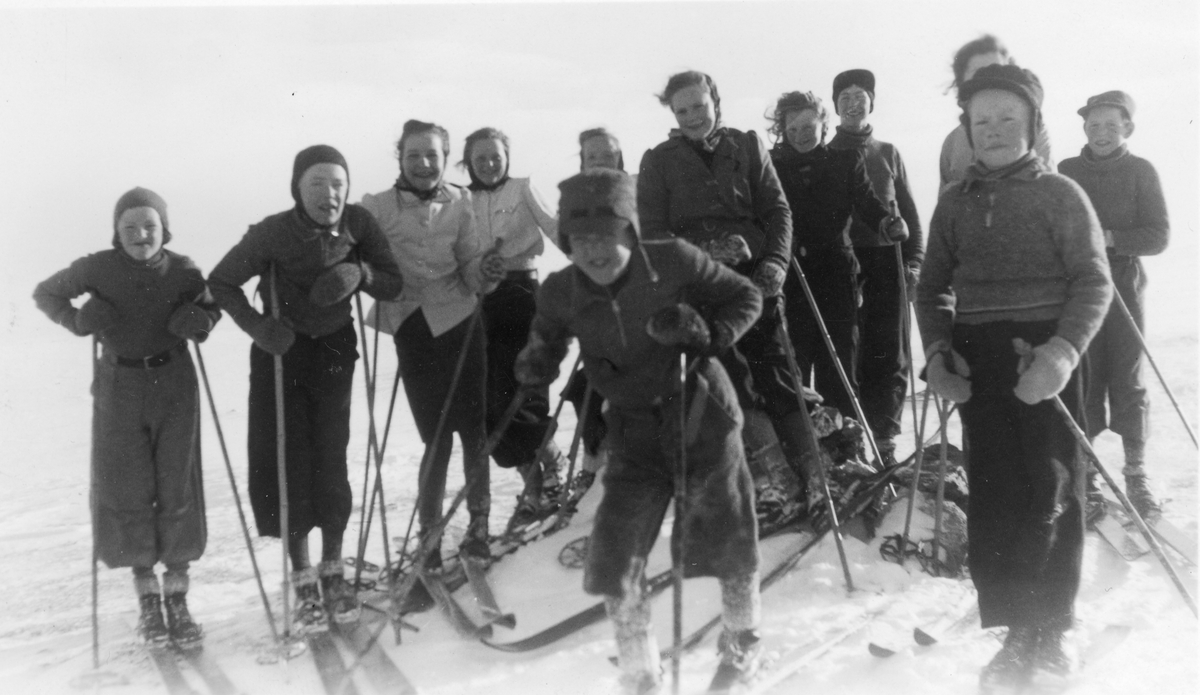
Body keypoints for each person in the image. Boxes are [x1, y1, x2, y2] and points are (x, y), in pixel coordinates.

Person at [515, 169, 765, 694]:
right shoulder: (561, 291)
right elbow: (548, 336)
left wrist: (707, 332)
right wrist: (538, 359)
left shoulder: (673, 259)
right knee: (614, 556)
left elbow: (746, 297)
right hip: (632, 432)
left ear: (629, 231)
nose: (594, 251)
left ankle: (742, 646)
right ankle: (639, 674)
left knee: (727, 544)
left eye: (606, 236)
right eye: (579, 240)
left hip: (701, 419)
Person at [916, 64, 1111, 691]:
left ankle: (1054, 625)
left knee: (1051, 489)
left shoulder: (1059, 194)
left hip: (1042, 356)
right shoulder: (954, 202)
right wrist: (940, 354)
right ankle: (1014, 626)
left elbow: (1093, 280)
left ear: (1031, 124)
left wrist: (1061, 354)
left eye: (1007, 119)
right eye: (981, 121)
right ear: (967, 131)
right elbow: (931, 289)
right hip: (979, 360)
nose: (994, 130)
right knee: (994, 491)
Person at [209, 145, 404, 633]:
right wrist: (257, 327)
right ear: (298, 188)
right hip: (281, 353)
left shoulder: (358, 224)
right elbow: (223, 281)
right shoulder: (272, 231)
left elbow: (393, 282)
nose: (330, 194)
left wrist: (360, 272)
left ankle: (334, 570)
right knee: (288, 457)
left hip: (335, 350)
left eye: (338, 183)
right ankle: (302, 576)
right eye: (317, 184)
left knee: (331, 455)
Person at [34, 187, 219, 647]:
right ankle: (147, 599)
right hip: (119, 384)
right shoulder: (97, 267)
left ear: (164, 229)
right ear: (116, 233)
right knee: (127, 485)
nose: (140, 235)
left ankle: (177, 596)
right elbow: (46, 293)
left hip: (173, 381)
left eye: (150, 226)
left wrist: (197, 320)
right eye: (130, 227)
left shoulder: (183, 269)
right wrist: (78, 320)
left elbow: (214, 307)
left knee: (176, 482)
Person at [637, 70, 817, 514]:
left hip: (755, 279)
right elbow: (654, 237)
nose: (693, 117)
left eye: (700, 106)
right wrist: (703, 251)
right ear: (673, 115)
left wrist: (775, 260)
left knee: (777, 372)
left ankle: (817, 473)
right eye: (683, 111)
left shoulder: (747, 145)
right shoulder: (658, 161)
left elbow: (778, 209)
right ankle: (775, 475)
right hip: (700, 288)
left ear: (715, 101)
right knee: (732, 378)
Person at [362, 120, 506, 567]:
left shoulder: (460, 201)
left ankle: (479, 526)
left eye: (432, 156)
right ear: (400, 158)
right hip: (412, 325)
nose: (423, 164)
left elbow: (468, 263)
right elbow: (363, 260)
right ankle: (430, 537)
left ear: (446, 159)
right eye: (413, 156)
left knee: (473, 431)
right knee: (436, 437)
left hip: (462, 321)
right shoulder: (375, 207)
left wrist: (485, 272)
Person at [767, 91, 907, 464]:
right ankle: (803, 452)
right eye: (792, 127)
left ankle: (846, 449)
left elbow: (867, 201)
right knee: (795, 361)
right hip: (791, 275)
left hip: (835, 272)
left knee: (839, 361)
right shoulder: (772, 165)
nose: (800, 134)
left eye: (808, 126)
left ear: (822, 124)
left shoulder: (845, 160)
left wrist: (886, 221)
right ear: (781, 128)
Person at [1059, 91, 1170, 521]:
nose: (1101, 132)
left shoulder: (1141, 171)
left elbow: (1158, 235)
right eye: (1094, 124)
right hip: (1080, 286)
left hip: (1124, 281)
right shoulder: (1067, 171)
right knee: (1084, 373)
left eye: (1111, 124)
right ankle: (1085, 474)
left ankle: (1136, 473)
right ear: (1084, 127)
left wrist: (1110, 239)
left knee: (1126, 373)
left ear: (1128, 128)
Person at [459, 126, 565, 526]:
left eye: (495, 157)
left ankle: (548, 480)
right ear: (468, 161)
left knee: (527, 394)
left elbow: (555, 227)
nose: (488, 164)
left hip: (522, 297)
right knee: (491, 403)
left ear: (508, 158)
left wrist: (593, 265)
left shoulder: (523, 188)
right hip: (479, 304)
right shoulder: (460, 199)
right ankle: (534, 481)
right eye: (480, 158)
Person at [828, 69, 924, 466]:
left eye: (860, 95)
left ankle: (885, 443)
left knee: (890, 354)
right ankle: (850, 443)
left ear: (871, 102)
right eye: (844, 96)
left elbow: (911, 217)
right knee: (850, 354)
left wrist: (914, 263)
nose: (853, 103)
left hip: (889, 262)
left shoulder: (888, 152)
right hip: (844, 264)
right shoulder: (826, 154)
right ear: (835, 105)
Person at [939, 34, 1054, 189]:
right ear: (961, 81)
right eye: (979, 71)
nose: (990, 76)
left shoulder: (1032, 132)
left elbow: (1049, 188)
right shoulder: (952, 142)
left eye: (998, 68)